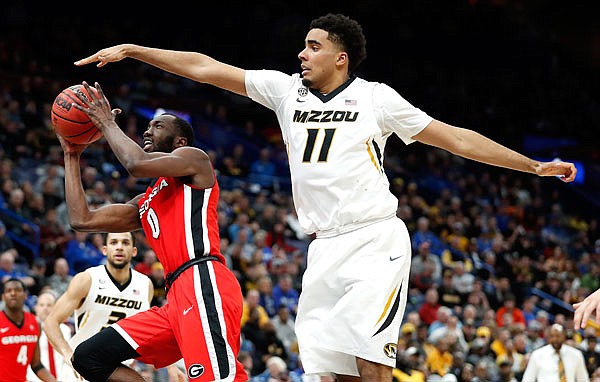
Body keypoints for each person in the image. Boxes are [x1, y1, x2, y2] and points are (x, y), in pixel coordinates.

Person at [75, 13, 578, 381]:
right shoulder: (283, 91)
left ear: (340, 57)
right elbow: (206, 67)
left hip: (374, 240)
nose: (301, 53)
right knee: (326, 372)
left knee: (369, 356)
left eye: (313, 46)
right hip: (322, 249)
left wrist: (532, 165)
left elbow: (456, 138)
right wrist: (135, 50)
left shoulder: (376, 98)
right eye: (302, 45)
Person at [54, 88, 247, 381]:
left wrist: (107, 123)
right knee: (88, 357)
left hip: (202, 279)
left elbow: (136, 164)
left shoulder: (194, 160)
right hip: (174, 298)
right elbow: (82, 219)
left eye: (158, 126)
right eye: (148, 126)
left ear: (180, 141)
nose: (148, 130)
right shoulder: (146, 200)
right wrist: (71, 155)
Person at [43, 231, 154, 381]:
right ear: (104, 249)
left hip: (118, 373)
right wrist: (69, 355)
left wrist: (171, 367)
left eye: (125, 243)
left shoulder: (145, 285)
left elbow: (147, 332)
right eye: (114, 242)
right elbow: (51, 322)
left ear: (134, 251)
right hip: (83, 370)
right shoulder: (87, 279)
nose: (119, 247)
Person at [0, 278, 56, 382]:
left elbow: (36, 364)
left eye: (17, 290)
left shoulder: (35, 323)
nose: (13, 293)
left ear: (25, 295)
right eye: (8, 291)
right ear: (3, 297)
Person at [27, 290, 72, 381]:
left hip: (61, 378)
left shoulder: (65, 330)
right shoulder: (29, 329)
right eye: (42, 305)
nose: (45, 308)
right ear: (36, 308)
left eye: (49, 305)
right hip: (35, 379)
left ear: (55, 307)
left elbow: (67, 357)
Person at [521, 323, 588, 382]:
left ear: (564, 336)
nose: (555, 339)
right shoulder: (537, 354)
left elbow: (583, 379)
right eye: (552, 336)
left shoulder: (576, 355)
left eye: (558, 336)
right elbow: (528, 379)